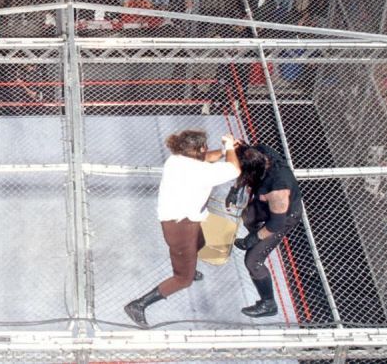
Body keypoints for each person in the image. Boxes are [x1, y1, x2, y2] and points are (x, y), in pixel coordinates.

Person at [124, 130, 241, 328]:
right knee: (183, 279)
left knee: (201, 242)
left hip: (184, 218)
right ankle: (138, 305)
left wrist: (223, 151)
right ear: (199, 149)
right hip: (180, 226)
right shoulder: (202, 172)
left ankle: (189, 265)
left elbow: (206, 157)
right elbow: (234, 169)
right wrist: (229, 147)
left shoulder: (176, 160)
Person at [230, 143, 303, 317]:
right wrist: (235, 189)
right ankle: (256, 237)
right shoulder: (259, 152)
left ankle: (268, 304)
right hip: (265, 203)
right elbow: (237, 152)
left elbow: (276, 224)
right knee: (247, 216)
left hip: (283, 217)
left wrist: (255, 238)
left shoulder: (278, 188)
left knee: (253, 261)